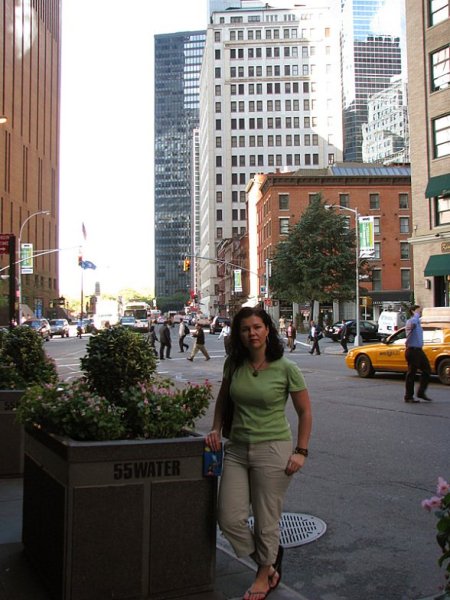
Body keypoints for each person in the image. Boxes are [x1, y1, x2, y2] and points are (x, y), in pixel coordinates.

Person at [205, 307, 312, 600]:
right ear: (239, 334)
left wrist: (301, 451)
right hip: (237, 449)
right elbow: (223, 401)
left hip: (273, 449)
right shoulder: (234, 364)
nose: (251, 333)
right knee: (228, 517)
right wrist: (215, 428)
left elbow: (305, 412)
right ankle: (267, 563)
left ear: (267, 330)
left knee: (267, 520)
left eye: (257, 327)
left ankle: (263, 575)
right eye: (245, 329)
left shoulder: (286, 367)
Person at [404, 304, 432, 403]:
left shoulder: (418, 323)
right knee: (411, 373)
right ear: (412, 311)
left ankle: (421, 392)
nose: (420, 312)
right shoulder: (411, 321)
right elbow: (412, 325)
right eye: (418, 311)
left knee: (427, 370)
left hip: (419, 351)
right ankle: (408, 396)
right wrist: (416, 315)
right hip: (412, 351)